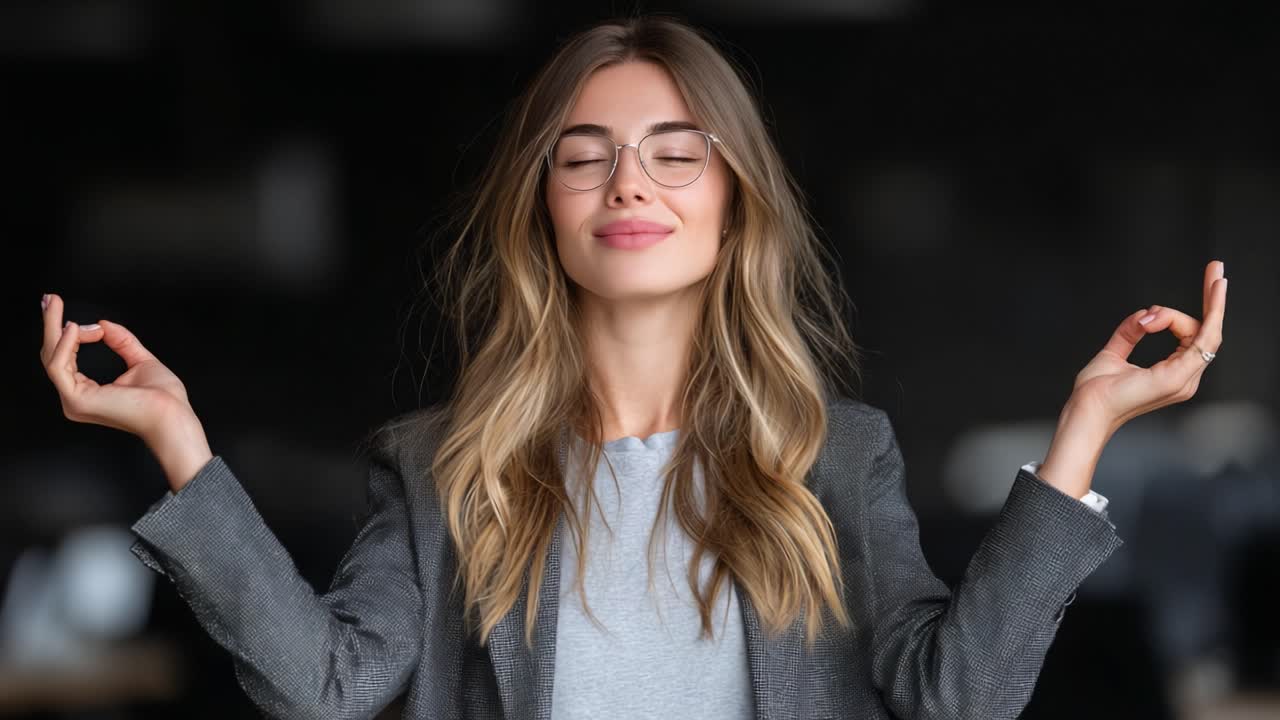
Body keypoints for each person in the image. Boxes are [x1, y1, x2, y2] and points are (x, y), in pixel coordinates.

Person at [37, 13, 1227, 720]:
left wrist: (1081, 436)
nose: (629, 184)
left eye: (675, 154)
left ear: (732, 207)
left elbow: (953, 696)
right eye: (585, 157)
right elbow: (325, 689)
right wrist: (178, 445)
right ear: (543, 211)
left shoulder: (831, 456)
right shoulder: (445, 468)